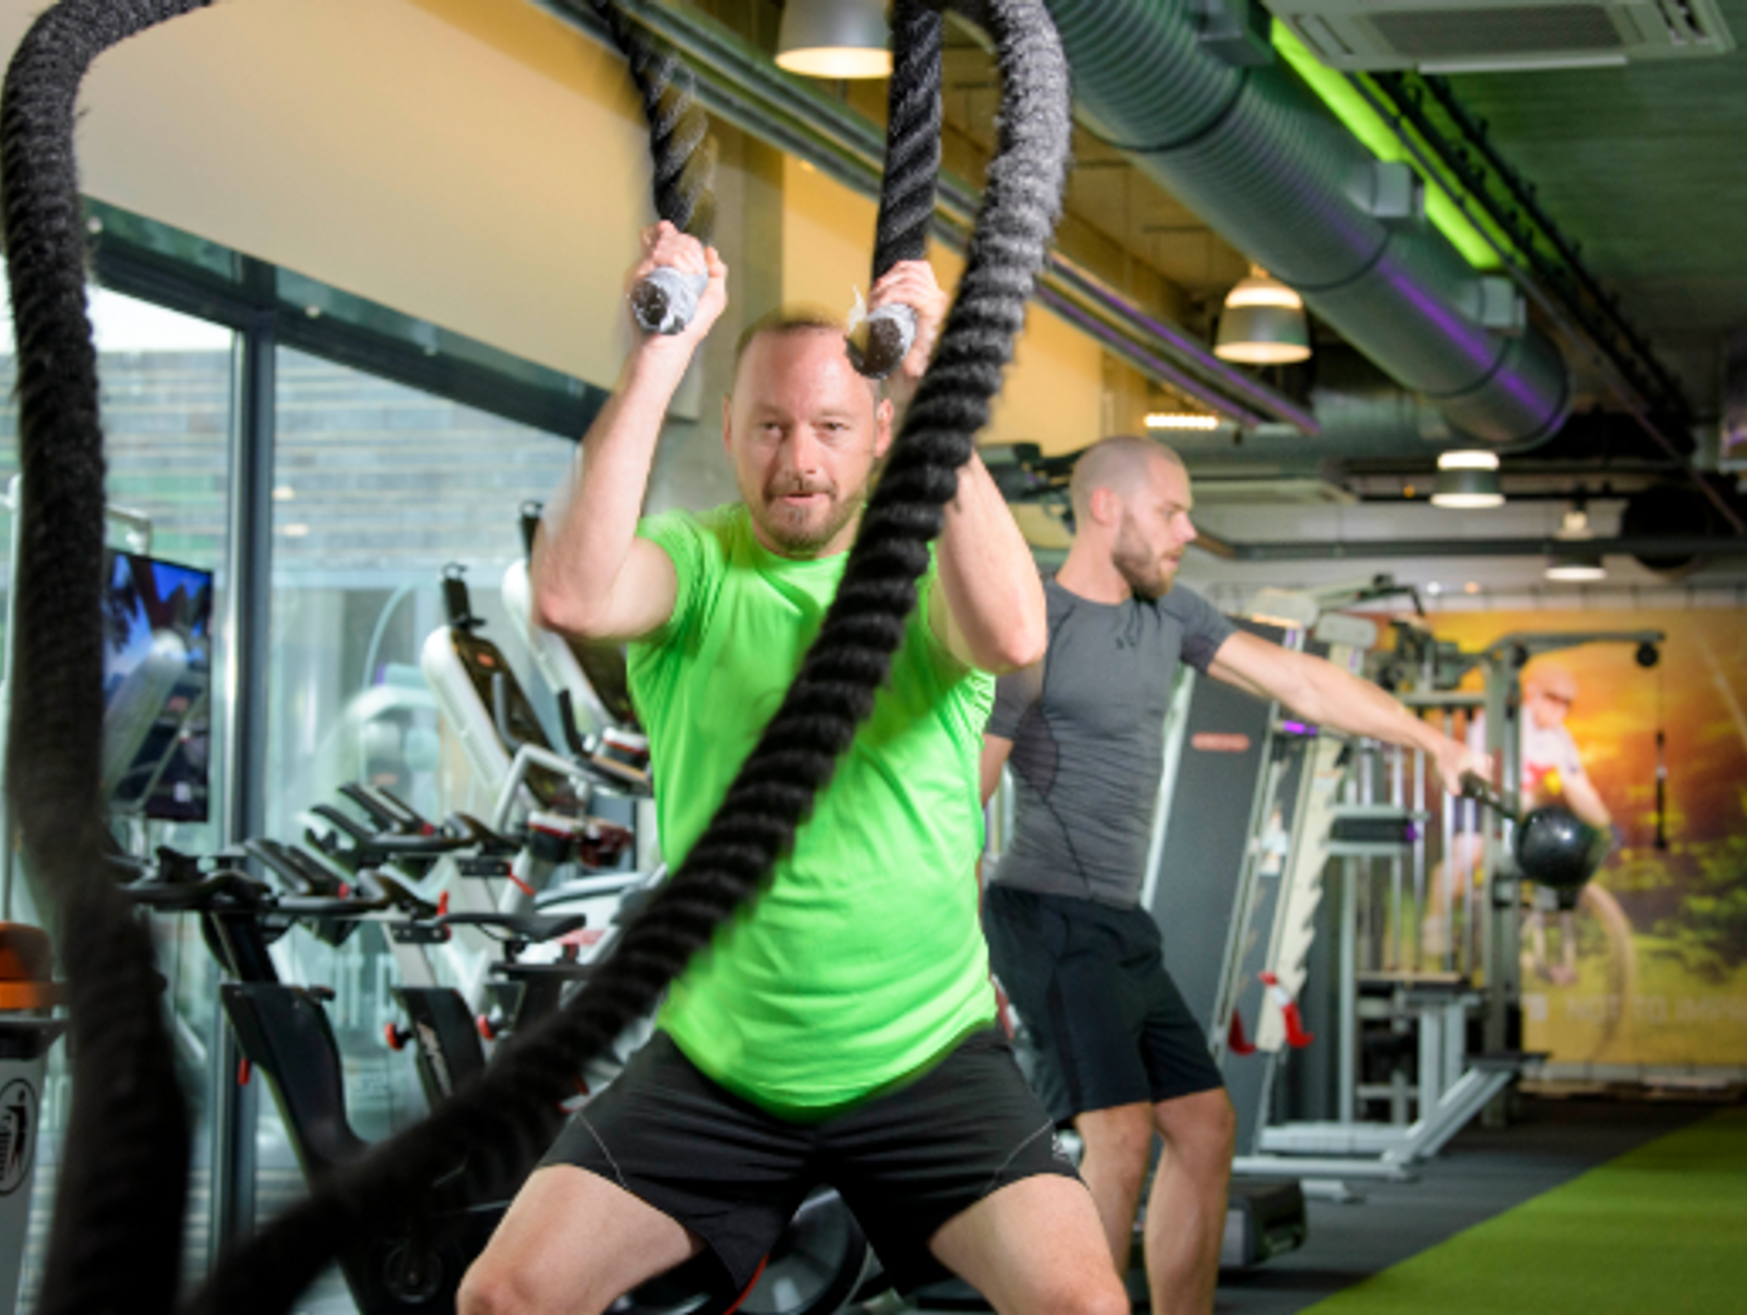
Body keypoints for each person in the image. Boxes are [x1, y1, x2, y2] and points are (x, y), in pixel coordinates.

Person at [459, 223, 1128, 1315]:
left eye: (828, 426)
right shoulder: (697, 566)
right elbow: (571, 594)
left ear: (878, 437)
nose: (798, 460)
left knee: (1084, 1306)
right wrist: (661, 351)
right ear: (729, 430)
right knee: (509, 1296)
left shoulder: (919, 571)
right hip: (721, 1067)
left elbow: (1013, 633)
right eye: (769, 426)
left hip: (925, 1057)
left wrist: (934, 384)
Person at [980, 435, 1488, 1315]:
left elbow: (1299, 680)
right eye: (1170, 510)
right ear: (1106, 507)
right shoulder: (1035, 626)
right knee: (1121, 1135)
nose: (1187, 529)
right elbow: (962, 799)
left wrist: (1432, 738)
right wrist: (961, 954)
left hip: (1118, 924)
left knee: (1206, 1127)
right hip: (1043, 914)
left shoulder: (1169, 615)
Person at [1517, 660, 1612, 985]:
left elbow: (1577, 785)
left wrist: (1604, 826)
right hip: (1485, 811)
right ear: (1531, 694)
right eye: (1553, 698)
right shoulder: (1502, 722)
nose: (1561, 709)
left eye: (1566, 703)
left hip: (1526, 817)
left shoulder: (1560, 738)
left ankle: (1551, 954)